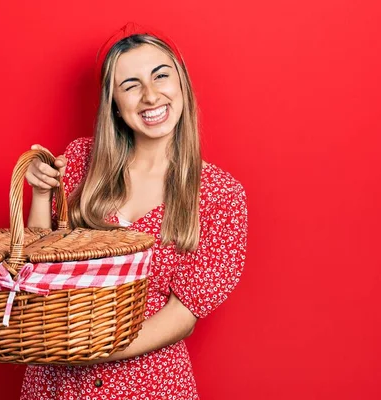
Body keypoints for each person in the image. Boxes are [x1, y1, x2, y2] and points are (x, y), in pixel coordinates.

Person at [21, 22, 248, 400]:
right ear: (114, 102)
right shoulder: (80, 161)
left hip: (149, 386)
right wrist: (41, 195)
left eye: (161, 76)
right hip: (59, 385)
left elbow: (182, 317)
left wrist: (91, 350)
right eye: (131, 85)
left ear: (182, 84)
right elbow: (34, 268)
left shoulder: (220, 195)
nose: (150, 95)